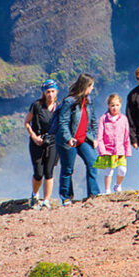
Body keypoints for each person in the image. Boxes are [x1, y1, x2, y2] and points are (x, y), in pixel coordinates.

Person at [56, 73, 100, 204]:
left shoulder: (89, 101)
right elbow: (62, 122)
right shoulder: (69, 101)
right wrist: (68, 138)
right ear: (85, 86)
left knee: (93, 162)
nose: (92, 88)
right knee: (68, 169)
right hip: (68, 140)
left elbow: (93, 120)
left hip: (84, 139)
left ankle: (94, 194)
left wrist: (94, 137)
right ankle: (66, 197)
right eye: (91, 86)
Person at [24, 80, 60, 208]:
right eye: (48, 92)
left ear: (57, 92)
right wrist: (34, 137)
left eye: (52, 91)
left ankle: (46, 200)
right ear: (44, 93)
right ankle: (34, 195)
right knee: (39, 173)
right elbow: (27, 122)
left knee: (49, 171)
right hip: (37, 142)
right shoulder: (37, 106)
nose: (50, 94)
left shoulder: (59, 107)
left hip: (53, 142)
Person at [96, 93, 131, 193]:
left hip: (120, 149)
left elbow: (126, 136)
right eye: (112, 105)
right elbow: (100, 136)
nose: (114, 107)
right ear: (108, 106)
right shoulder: (103, 118)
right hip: (108, 149)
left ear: (120, 105)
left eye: (117, 105)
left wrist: (127, 151)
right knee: (109, 170)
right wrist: (102, 151)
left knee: (122, 170)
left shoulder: (124, 119)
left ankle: (118, 185)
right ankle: (107, 190)